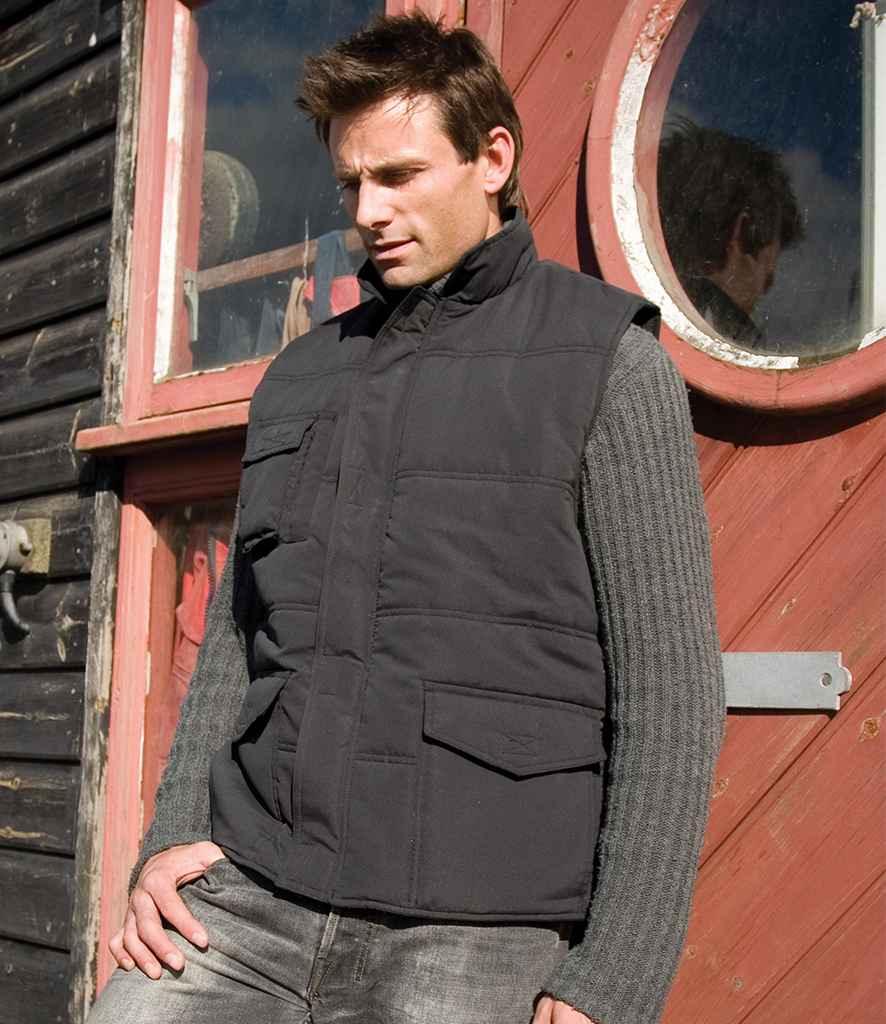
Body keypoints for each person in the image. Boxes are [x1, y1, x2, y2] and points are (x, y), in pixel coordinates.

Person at [89, 14, 724, 1024]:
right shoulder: (301, 376)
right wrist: (168, 837)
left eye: (398, 175)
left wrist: (613, 979)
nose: (369, 211)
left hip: (479, 922)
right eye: (351, 183)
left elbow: (672, 691)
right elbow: (239, 638)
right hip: (252, 896)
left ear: (492, 159)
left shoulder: (605, 361)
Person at [657, 117, 804, 351]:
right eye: (769, 269)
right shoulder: (735, 342)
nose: (769, 284)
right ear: (744, 232)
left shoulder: (623, 316)